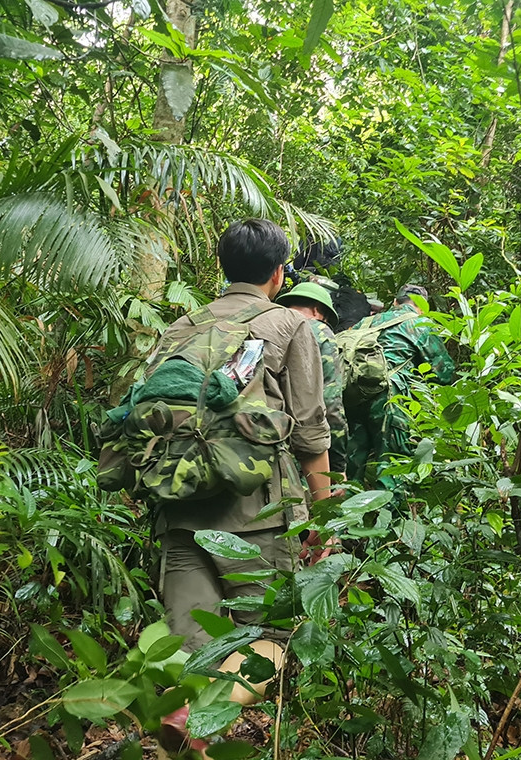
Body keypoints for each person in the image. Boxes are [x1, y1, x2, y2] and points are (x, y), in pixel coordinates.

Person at [153, 219, 331, 754]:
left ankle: (185, 722)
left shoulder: (181, 326)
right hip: (258, 512)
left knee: (190, 650)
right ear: (279, 273)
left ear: (222, 267)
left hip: (179, 505)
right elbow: (310, 429)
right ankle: (200, 718)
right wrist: (323, 515)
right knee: (269, 637)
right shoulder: (290, 326)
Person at [345, 284, 455, 486]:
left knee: (351, 467)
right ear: (422, 307)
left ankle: (344, 500)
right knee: (392, 466)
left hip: (353, 394)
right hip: (390, 398)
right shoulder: (420, 323)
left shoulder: (366, 322)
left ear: (395, 302)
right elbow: (444, 373)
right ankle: (388, 503)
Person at [276, 282, 347, 480]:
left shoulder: (267, 324)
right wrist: (337, 465)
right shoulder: (319, 331)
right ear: (317, 310)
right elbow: (331, 402)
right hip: (302, 441)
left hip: (257, 432)